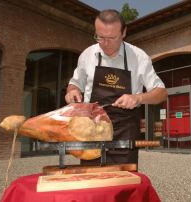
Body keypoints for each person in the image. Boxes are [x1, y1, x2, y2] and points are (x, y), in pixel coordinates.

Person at [65, 9, 167, 165]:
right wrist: (72, 90)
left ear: (124, 32)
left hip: (125, 132)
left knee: (123, 184)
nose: (105, 43)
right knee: (91, 182)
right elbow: (75, 82)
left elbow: (161, 93)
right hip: (91, 130)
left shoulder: (138, 57)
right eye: (100, 37)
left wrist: (138, 97)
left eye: (112, 38)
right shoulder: (87, 55)